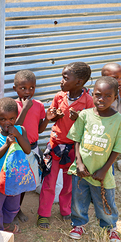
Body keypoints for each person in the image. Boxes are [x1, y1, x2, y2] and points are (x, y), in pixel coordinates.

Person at [67, 76, 121, 242]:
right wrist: (78, 163)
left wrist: (104, 170)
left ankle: (110, 227)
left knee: (105, 199)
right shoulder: (85, 115)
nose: (102, 99)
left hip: (102, 171)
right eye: (98, 94)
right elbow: (76, 139)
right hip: (81, 170)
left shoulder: (118, 120)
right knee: (79, 199)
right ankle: (78, 224)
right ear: (92, 94)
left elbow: (117, 148)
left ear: (116, 97)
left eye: (108, 96)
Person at [37, 62, 94, 230]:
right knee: (49, 181)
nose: (61, 81)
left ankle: (65, 210)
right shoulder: (59, 96)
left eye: (65, 78)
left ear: (79, 82)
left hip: (73, 148)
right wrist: (54, 116)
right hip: (55, 144)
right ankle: (44, 214)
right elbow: (52, 116)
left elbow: (90, 125)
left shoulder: (87, 101)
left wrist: (80, 119)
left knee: (69, 184)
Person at [13, 70, 51, 223]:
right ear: (15, 88)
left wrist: (47, 119)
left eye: (31, 88)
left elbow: (39, 129)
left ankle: (17, 208)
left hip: (33, 148)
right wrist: (25, 108)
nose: (28, 92)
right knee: (14, 181)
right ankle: (12, 210)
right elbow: (14, 129)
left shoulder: (39, 105)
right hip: (16, 149)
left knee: (24, 183)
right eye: (23, 88)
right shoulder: (11, 105)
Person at [0, 97, 31, 232]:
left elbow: (27, 150)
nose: (8, 122)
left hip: (15, 178)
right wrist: (6, 145)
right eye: (3, 119)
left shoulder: (21, 130)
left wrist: (18, 135)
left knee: (13, 207)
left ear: (16, 117)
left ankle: (5, 224)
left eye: (11, 119)